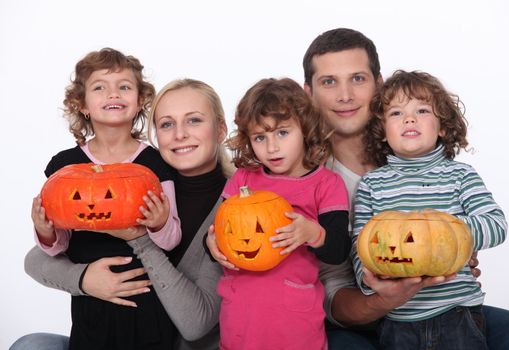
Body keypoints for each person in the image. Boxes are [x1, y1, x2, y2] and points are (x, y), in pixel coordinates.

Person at [302, 27, 509, 350]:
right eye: (329, 82)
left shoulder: (435, 163)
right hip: (372, 319)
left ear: (379, 85)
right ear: (309, 92)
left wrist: (448, 243)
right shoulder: (312, 179)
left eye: (358, 79)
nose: (345, 95)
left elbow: (485, 224)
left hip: (452, 310)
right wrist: (380, 293)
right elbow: (339, 284)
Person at [10, 78, 232, 349]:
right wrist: (84, 279)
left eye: (194, 120)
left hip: (167, 343)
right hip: (105, 335)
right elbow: (35, 260)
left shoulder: (233, 206)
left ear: (220, 129)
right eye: (166, 124)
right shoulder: (142, 184)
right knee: (30, 345)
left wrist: (138, 239)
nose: (179, 134)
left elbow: (195, 323)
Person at [30, 47, 184, 350]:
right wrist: (46, 232)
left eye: (124, 87)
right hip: (91, 304)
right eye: (100, 87)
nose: (113, 94)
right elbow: (58, 246)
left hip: (148, 305)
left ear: (140, 101)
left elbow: (172, 239)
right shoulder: (64, 167)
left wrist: (160, 222)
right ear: (82, 104)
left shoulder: (155, 164)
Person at [351, 69, 507, 349]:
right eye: (396, 113)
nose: (409, 118)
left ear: (443, 126)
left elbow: (495, 224)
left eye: (422, 110)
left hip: (457, 315)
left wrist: (442, 234)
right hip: (397, 320)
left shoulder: (460, 175)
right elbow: (361, 242)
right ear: (383, 131)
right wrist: (370, 280)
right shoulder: (372, 185)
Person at [205, 77, 351, 349]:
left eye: (282, 133)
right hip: (239, 322)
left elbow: (339, 249)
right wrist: (210, 244)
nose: (271, 147)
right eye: (260, 137)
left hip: (296, 327)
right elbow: (218, 230)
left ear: (305, 129)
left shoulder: (326, 184)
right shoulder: (243, 180)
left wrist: (313, 233)